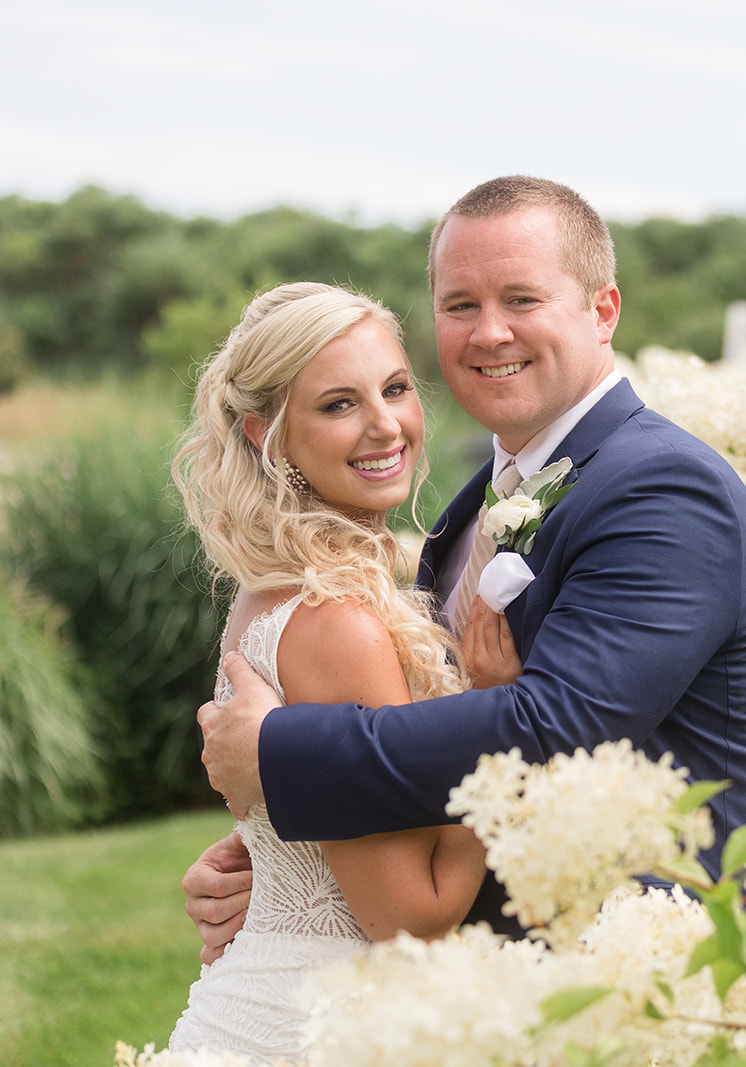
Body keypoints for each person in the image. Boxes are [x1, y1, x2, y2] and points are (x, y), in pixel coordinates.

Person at [186, 176, 746, 949]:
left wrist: (281, 754)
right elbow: (426, 737)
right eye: (461, 305)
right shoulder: (471, 507)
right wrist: (280, 861)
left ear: (603, 312)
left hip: (622, 964)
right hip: (491, 972)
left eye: (521, 299)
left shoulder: (664, 486)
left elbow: (556, 724)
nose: (489, 332)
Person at [164, 282, 517, 1061]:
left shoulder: (275, 591)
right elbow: (411, 918)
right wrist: (497, 712)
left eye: (394, 389)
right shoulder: (336, 620)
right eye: (338, 404)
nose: (385, 423)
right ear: (268, 435)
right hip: (312, 1028)